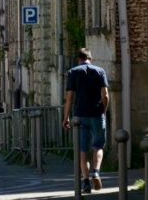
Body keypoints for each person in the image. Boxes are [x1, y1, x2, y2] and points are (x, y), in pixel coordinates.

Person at [62, 48, 109, 194]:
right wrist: (103, 110)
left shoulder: (73, 72)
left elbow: (70, 97)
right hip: (97, 113)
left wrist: (66, 117)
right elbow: (105, 95)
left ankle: (86, 182)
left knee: (83, 151)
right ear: (90, 58)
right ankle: (96, 172)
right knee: (98, 146)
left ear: (79, 59)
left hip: (80, 115)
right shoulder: (100, 71)